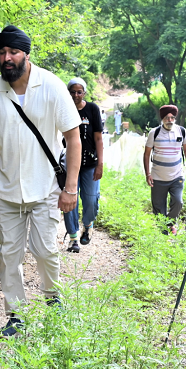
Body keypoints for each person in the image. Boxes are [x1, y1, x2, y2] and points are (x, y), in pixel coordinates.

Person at [0, 25, 81, 338]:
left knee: (45, 250)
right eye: (2, 52)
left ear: (26, 55)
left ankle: (53, 300)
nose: (7, 58)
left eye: (13, 52)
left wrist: (71, 188)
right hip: (7, 190)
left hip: (46, 188)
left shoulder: (52, 87)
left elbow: (73, 138)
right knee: (9, 255)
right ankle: (15, 317)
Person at [63, 77, 103, 252]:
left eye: (79, 92)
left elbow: (98, 138)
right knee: (69, 198)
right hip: (69, 164)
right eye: (72, 92)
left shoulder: (92, 109)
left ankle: (87, 226)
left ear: (84, 93)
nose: (76, 95)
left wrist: (100, 163)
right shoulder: (63, 109)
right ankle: (73, 238)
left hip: (90, 164)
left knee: (91, 199)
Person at [144, 105, 186, 234]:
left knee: (178, 202)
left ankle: (170, 224)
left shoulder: (181, 131)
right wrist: (147, 173)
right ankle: (163, 234)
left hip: (177, 175)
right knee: (158, 208)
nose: (170, 120)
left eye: (172, 117)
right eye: (166, 118)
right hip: (158, 177)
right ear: (162, 119)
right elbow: (147, 154)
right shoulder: (154, 133)